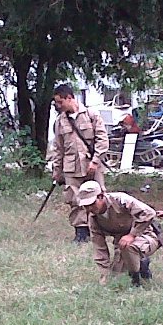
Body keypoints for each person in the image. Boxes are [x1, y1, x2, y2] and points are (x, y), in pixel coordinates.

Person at [48, 84, 109, 243]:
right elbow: (58, 148)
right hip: (71, 167)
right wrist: (57, 171)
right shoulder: (60, 122)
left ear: (69, 98)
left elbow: (103, 141)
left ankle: (103, 228)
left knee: (98, 197)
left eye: (60, 102)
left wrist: (95, 162)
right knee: (75, 200)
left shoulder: (91, 115)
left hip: (91, 165)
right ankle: (81, 233)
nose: (58, 106)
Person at [77, 180, 159, 287]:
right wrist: (104, 273)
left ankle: (138, 273)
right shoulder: (93, 218)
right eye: (85, 206)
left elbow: (149, 212)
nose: (89, 209)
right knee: (115, 276)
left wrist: (132, 235)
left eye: (92, 204)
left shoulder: (121, 200)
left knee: (129, 248)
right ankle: (134, 266)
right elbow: (99, 247)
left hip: (145, 236)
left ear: (101, 196)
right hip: (120, 244)